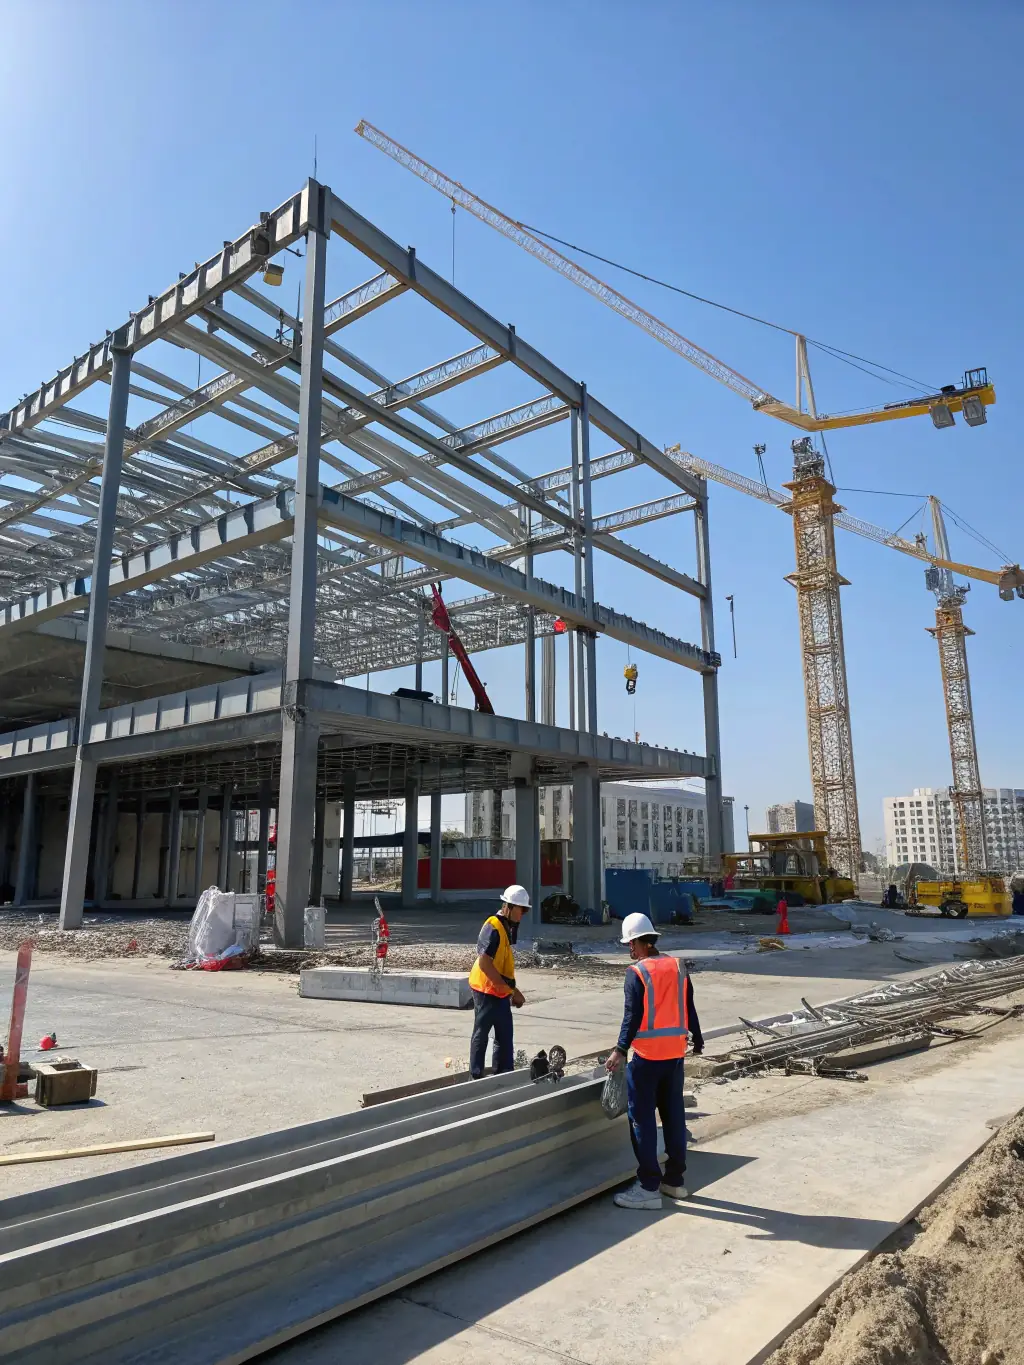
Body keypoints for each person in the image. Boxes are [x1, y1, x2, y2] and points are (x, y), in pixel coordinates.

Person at [606, 912, 703, 1210]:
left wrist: (620, 1049)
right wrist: (697, 1039)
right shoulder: (677, 967)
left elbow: (631, 1016)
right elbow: (689, 1007)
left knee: (642, 1121)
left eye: (631, 944)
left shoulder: (636, 973)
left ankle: (648, 1186)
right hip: (674, 1057)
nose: (630, 950)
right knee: (673, 1117)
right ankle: (674, 1181)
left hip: (646, 1059)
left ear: (640, 942)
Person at [467, 884, 530, 1078]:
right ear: (508, 907)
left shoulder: (507, 927)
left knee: (504, 1036)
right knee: (482, 1033)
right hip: (486, 990)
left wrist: (511, 990)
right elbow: (485, 963)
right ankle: (475, 1076)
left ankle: (503, 1075)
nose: (523, 914)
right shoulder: (493, 926)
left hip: (500, 991)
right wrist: (508, 990)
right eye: (521, 909)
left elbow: (502, 966)